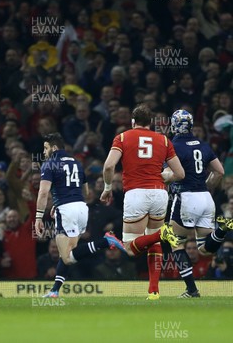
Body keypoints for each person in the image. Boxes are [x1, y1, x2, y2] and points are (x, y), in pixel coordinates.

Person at [101, 105, 185, 300]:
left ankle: (162, 234)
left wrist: (107, 188)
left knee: (130, 249)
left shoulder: (122, 137)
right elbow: (180, 173)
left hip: (136, 193)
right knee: (153, 238)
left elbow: (108, 166)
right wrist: (166, 177)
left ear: (133, 121)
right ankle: (154, 290)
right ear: (151, 123)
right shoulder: (164, 140)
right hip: (159, 193)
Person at [35, 133, 125, 298]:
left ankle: (105, 241)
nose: (44, 152)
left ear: (54, 148)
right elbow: (85, 191)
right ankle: (55, 290)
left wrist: (39, 217)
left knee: (67, 257)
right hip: (82, 208)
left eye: (46, 148)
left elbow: (42, 193)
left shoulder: (49, 164)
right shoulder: (76, 162)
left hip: (66, 211)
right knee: (70, 252)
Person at [163, 109, 233, 297]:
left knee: (175, 242)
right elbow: (219, 171)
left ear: (174, 125)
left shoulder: (172, 146)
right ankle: (222, 230)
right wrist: (207, 188)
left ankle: (192, 290)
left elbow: (172, 175)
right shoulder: (203, 145)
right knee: (204, 249)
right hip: (205, 198)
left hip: (186, 197)